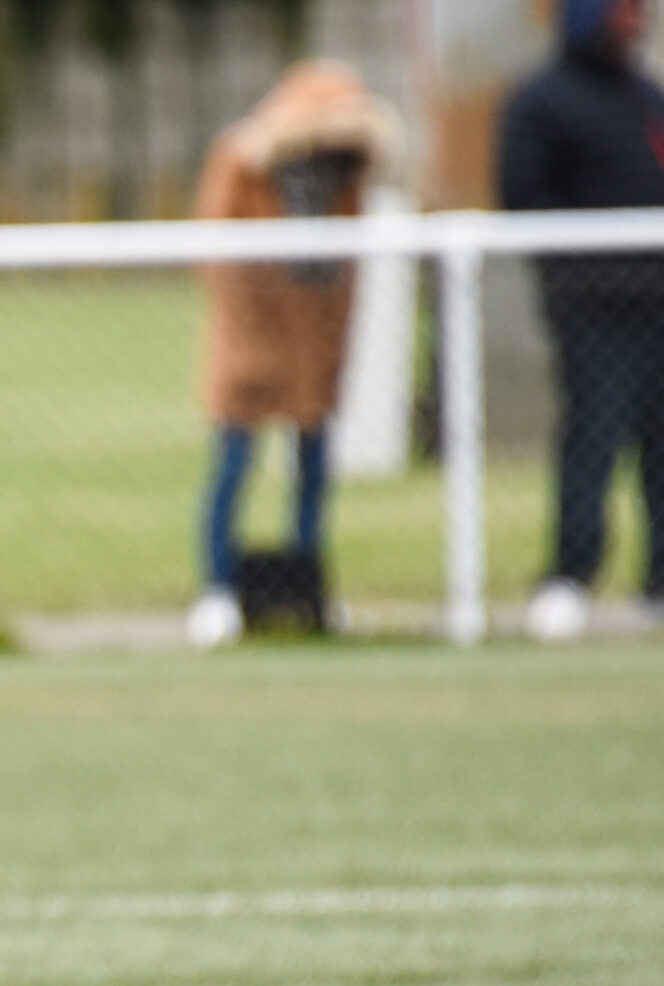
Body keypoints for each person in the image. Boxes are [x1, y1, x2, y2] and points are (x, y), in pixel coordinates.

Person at [501, 0, 664, 641]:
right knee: (592, 444)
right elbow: (525, 197)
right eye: (619, 11)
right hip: (596, 314)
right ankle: (569, 578)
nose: (633, 22)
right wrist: (589, 277)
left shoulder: (652, 96)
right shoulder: (541, 102)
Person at [185, 63, 397, 650]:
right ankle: (218, 590)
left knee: (314, 473)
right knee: (233, 467)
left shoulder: (345, 172)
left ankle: (307, 589)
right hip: (252, 341)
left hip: (314, 345)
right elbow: (216, 253)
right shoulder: (242, 160)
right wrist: (257, 328)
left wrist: (330, 343)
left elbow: (348, 268)